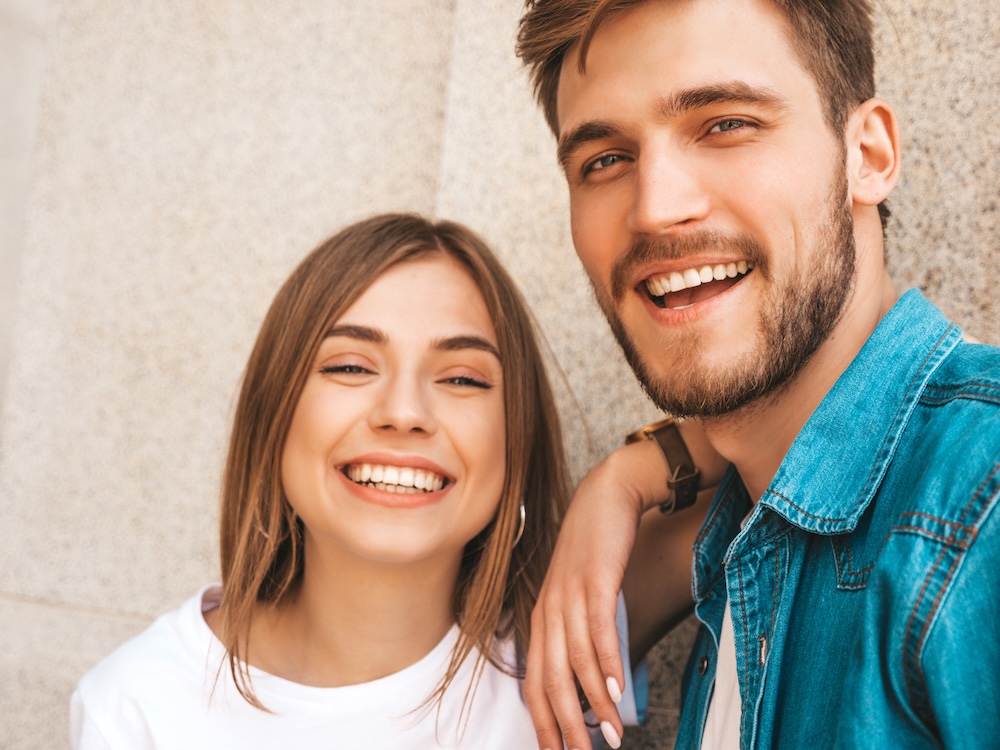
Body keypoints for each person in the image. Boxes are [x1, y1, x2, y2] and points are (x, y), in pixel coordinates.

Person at [515, 1, 1000, 749]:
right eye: (604, 160)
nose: (656, 208)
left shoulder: (981, 503)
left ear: (866, 155)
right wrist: (641, 467)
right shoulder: (742, 532)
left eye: (726, 123)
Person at [69, 213, 577, 748]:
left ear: (519, 434)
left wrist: (626, 479)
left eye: (461, 377)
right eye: (351, 367)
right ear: (274, 415)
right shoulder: (138, 708)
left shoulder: (567, 640)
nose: (404, 412)